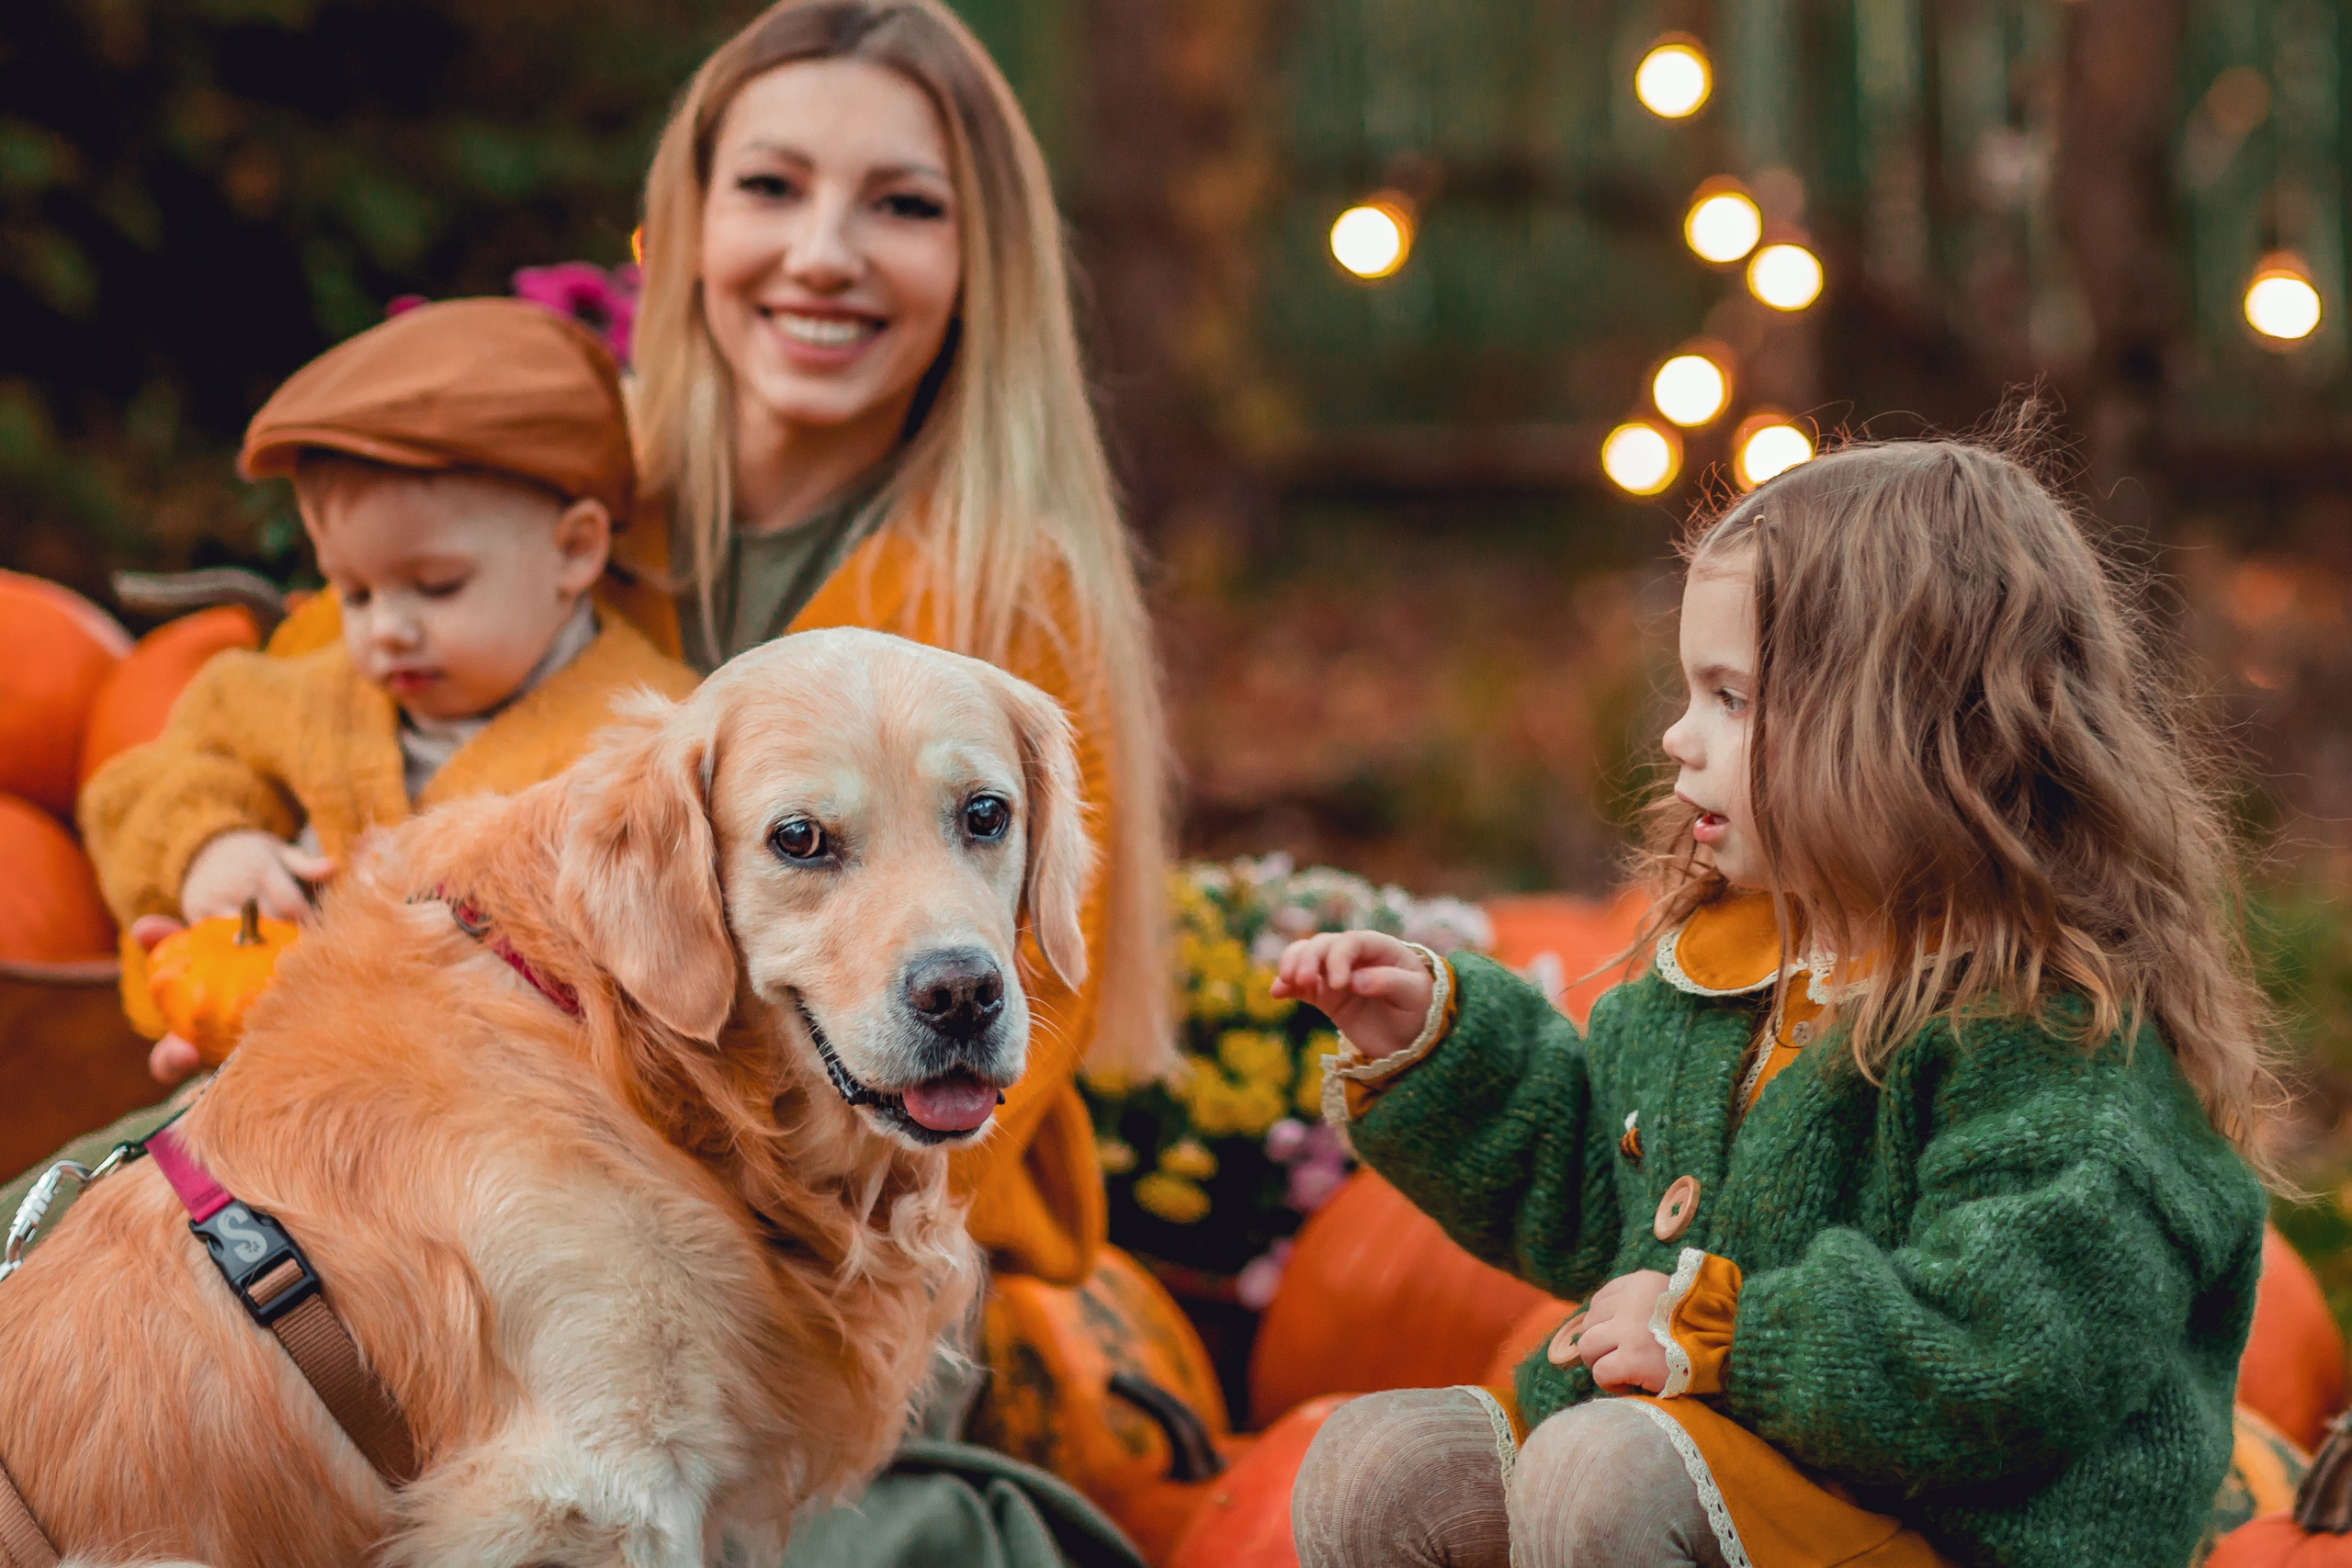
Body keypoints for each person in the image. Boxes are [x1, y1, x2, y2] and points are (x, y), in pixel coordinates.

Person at [1273, 436, 2274, 1568]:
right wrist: (1440, 1055)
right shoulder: (1730, 971)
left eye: (1730, 698)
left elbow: (2004, 1354)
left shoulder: (2053, 1038)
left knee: (1600, 1471)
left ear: (1907, 732)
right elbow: (1609, 1211)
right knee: (1380, 1464)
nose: (1674, 736)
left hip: (1947, 1533)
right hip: (1745, 1472)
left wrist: (1719, 1333)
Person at [621, 0, 1169, 1294]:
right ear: (692, 222)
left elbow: (1042, 977)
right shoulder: (562, 503)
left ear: (986, 258)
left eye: (903, 206)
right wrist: (209, 850)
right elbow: (293, 702)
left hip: (878, 1263)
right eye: (771, 187)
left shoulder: (1011, 596)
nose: (823, 253)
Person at [76, 296, 698, 1078]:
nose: (384, 631)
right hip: (266, 1070)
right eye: (355, 592)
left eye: (434, 587)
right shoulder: (309, 693)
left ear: (574, 552)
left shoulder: (641, 738)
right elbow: (147, 779)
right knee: (50, 1197)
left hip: (499, 1118)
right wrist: (210, 846)